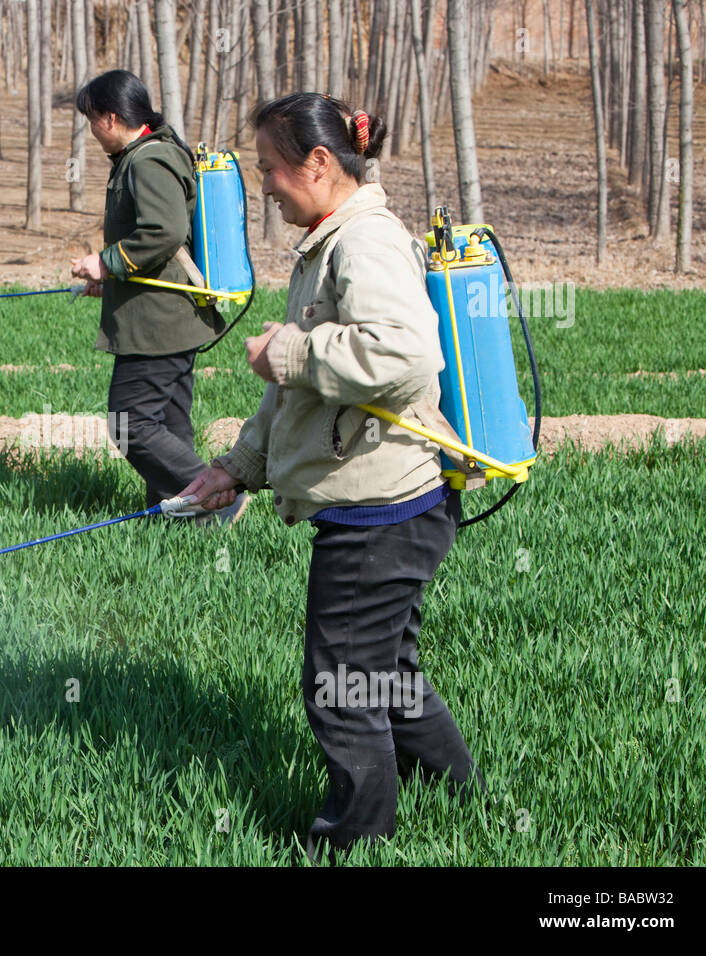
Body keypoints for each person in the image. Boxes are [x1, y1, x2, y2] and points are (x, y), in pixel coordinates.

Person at [179, 92, 486, 862]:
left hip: (379, 511)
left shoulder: (365, 244)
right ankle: (459, 801)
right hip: (390, 503)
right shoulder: (329, 243)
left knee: (340, 687)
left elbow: (408, 355)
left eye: (273, 170)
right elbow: (299, 394)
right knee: (383, 673)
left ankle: (352, 841)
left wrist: (291, 351)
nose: (268, 186)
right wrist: (237, 469)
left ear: (319, 163)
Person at [69, 70, 246, 524]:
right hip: (167, 317)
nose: (91, 130)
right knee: (168, 423)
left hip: (158, 326)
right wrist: (110, 277)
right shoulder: (146, 154)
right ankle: (184, 515)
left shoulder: (148, 160)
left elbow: (163, 232)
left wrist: (106, 262)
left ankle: (213, 495)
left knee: (129, 422)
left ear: (111, 117)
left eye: (93, 120)